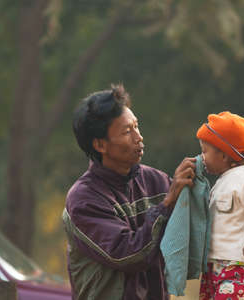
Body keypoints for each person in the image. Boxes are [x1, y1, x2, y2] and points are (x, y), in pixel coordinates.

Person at [62, 84, 196, 300]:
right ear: (100, 145)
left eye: (136, 127)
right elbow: (128, 254)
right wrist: (168, 205)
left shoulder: (157, 181)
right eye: (126, 131)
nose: (138, 137)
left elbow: (190, 231)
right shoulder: (84, 199)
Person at [196, 111, 244, 300]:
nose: (201, 156)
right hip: (214, 262)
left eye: (205, 151)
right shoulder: (222, 182)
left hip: (236, 263)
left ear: (224, 155)